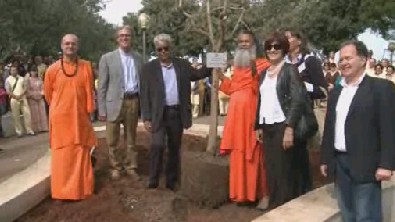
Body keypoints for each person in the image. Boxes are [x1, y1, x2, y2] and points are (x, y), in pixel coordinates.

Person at [321, 40, 395, 222]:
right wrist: (325, 158)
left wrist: (387, 164)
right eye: (341, 59)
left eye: (348, 58)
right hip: (340, 164)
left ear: (363, 60)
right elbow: (330, 127)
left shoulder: (381, 88)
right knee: (347, 214)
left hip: (366, 164)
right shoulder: (336, 92)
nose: (344, 63)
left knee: (366, 216)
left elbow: (389, 127)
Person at [140, 34, 211, 190]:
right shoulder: (148, 69)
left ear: (170, 48)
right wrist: (146, 117)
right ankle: (153, 179)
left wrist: (215, 59)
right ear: (156, 50)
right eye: (160, 49)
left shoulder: (182, 65)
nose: (163, 52)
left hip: (176, 113)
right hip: (158, 114)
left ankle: (171, 181)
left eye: (166, 48)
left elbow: (198, 74)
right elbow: (144, 94)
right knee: (157, 145)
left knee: (174, 147)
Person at [217, 30, 269, 208]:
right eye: (240, 42)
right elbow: (232, 88)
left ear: (254, 44)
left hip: (251, 118)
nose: (243, 44)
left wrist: (255, 70)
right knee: (238, 155)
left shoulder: (263, 64)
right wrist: (220, 76)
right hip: (235, 120)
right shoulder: (238, 68)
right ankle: (241, 195)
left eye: (247, 41)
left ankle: (262, 194)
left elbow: (262, 88)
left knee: (255, 154)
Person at [255, 32, 305, 208]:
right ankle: (275, 205)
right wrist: (258, 126)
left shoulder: (289, 70)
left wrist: (289, 128)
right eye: (269, 47)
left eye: (277, 46)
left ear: (283, 48)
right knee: (271, 169)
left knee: (284, 170)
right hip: (267, 126)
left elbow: (298, 100)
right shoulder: (263, 74)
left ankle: (284, 208)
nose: (272, 50)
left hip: (282, 125)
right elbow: (260, 101)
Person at [44, 34, 97, 200]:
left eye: (73, 44)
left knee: (80, 151)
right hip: (60, 119)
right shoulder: (52, 69)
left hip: (80, 117)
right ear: (61, 46)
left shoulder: (86, 66)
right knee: (62, 157)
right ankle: (61, 193)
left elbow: (89, 91)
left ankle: (83, 190)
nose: (70, 46)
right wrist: (62, 107)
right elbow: (48, 95)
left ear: (78, 46)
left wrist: (86, 110)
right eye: (67, 43)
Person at [284, 30, 327, 196]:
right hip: (285, 115)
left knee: (302, 153)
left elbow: (322, 90)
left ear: (299, 41)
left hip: (304, 115)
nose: (286, 40)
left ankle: (305, 190)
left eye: (289, 37)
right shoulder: (282, 62)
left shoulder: (310, 61)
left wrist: (300, 86)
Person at [98, 25, 144, 181]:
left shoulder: (138, 58)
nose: (125, 38)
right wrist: (102, 109)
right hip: (113, 103)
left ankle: (131, 167)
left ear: (131, 38)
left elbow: (142, 83)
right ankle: (116, 167)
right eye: (122, 36)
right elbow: (102, 86)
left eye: (128, 35)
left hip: (133, 101)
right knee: (112, 140)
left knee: (131, 138)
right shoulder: (107, 58)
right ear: (117, 39)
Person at [5, 65, 35, 137]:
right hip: (14, 99)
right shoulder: (8, 79)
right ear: (10, 71)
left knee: (27, 114)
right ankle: (19, 132)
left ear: (17, 71)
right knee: (16, 116)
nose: (14, 71)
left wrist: (21, 95)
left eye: (15, 70)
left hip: (23, 97)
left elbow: (25, 87)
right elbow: (8, 91)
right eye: (12, 70)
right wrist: (15, 96)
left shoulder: (21, 78)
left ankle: (29, 130)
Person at [26, 65, 48, 133]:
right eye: (32, 71)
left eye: (35, 71)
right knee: (34, 113)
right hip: (32, 98)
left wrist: (41, 95)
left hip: (40, 97)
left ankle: (43, 127)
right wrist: (32, 96)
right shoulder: (28, 80)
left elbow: (43, 88)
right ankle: (36, 128)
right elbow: (27, 90)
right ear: (30, 72)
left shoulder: (39, 79)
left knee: (42, 112)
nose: (34, 73)